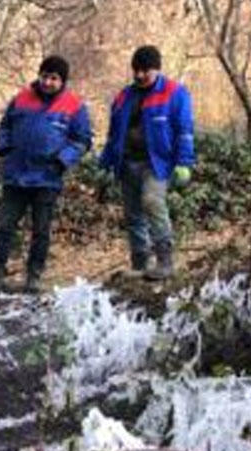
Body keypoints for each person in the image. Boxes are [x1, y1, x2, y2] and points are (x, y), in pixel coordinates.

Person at [0, 55, 93, 293]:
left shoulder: (74, 106)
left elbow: (83, 140)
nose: (47, 82)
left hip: (48, 178)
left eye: (54, 78)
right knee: (5, 226)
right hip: (16, 175)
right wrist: (4, 146)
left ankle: (34, 275)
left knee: (41, 230)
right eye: (44, 76)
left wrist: (63, 161)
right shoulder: (21, 98)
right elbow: (5, 126)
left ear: (62, 81)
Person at [100, 45, 195, 280]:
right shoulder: (124, 96)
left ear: (156, 69)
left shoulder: (175, 93)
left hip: (157, 163)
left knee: (152, 201)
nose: (140, 75)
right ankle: (141, 264)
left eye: (145, 71)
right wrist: (105, 163)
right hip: (127, 162)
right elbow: (114, 134)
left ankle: (165, 260)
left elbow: (184, 130)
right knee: (133, 215)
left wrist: (184, 162)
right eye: (136, 70)